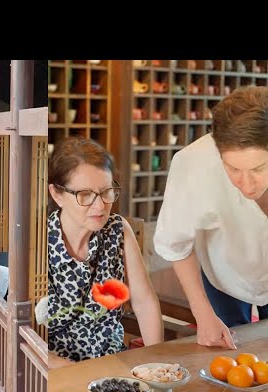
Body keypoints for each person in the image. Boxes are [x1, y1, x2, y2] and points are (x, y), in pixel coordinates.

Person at [154, 85, 268, 350]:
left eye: (259, 168)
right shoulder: (193, 165)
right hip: (222, 273)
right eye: (233, 169)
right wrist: (202, 313)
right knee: (228, 356)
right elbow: (176, 245)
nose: (246, 183)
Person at [48, 137, 163, 367]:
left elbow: (144, 302)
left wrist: (155, 363)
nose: (100, 206)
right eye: (85, 195)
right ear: (57, 194)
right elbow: (25, 333)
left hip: (113, 364)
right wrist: (77, 373)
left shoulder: (118, 230)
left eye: (106, 192)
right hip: (57, 373)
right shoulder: (39, 242)